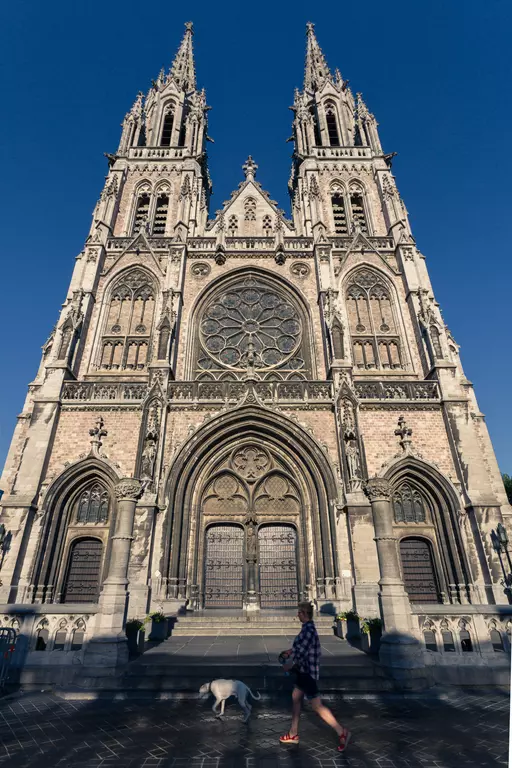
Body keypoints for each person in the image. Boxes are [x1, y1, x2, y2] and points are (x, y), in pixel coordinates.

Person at [280, 601, 351, 753]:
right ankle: (293, 733)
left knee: (317, 706)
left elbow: (303, 653)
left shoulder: (308, 630)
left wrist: (290, 666)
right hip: (303, 672)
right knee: (296, 697)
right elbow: (300, 647)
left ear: (305, 614)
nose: (297, 615)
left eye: (299, 612)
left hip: (307, 673)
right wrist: (290, 651)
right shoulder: (307, 628)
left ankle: (341, 731)